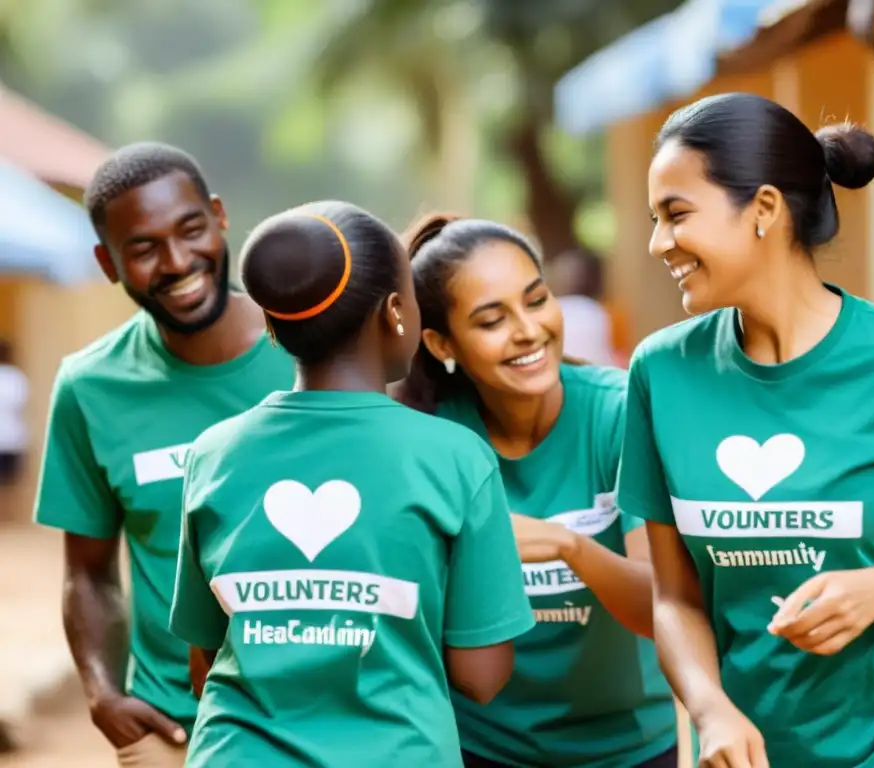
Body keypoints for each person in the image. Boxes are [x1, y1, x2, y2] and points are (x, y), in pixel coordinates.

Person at [618, 91, 874, 768]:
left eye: (676, 215)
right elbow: (675, 597)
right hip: (754, 749)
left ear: (766, 210)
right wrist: (710, 709)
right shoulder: (661, 374)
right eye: (655, 219)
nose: (660, 242)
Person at [169, 201, 535, 767]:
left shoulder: (212, 454)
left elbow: (202, 666)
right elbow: (482, 675)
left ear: (272, 323)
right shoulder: (456, 457)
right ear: (395, 311)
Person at [33, 142, 295, 768]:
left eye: (190, 230)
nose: (178, 262)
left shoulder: (312, 348)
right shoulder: (89, 387)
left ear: (220, 217)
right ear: (107, 262)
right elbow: (89, 573)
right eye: (144, 248)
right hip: (175, 732)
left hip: (320, 722)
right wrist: (101, 694)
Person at [397, 215, 677, 768]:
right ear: (441, 342)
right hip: (481, 750)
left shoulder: (620, 413)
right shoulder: (431, 440)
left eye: (537, 299)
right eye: (491, 320)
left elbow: (663, 607)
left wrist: (568, 545)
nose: (527, 330)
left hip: (630, 750)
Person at [0, 338, 28, 491]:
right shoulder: (17, 376)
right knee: (11, 487)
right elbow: (22, 403)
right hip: (13, 438)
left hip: (8, 438)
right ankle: (11, 514)